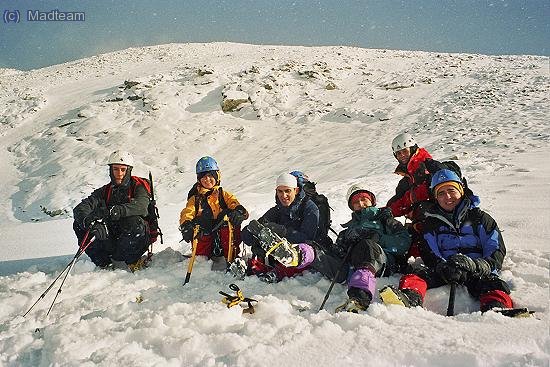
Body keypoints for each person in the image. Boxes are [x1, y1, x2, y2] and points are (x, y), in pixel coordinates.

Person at [379, 169, 514, 313]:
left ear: (461, 191)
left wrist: (478, 266)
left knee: (493, 285)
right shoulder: (431, 223)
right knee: (416, 276)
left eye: (451, 190)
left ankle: (496, 308)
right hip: (446, 269)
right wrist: (443, 266)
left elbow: (496, 247)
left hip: (476, 269)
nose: (447, 196)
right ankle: (409, 298)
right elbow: (428, 250)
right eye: (441, 193)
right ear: (435, 197)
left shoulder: (480, 218)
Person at [73, 151, 151, 270]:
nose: (119, 174)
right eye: (115, 169)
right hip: (112, 239)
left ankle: (132, 261)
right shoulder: (105, 191)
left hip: (135, 240)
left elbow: (141, 206)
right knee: (79, 224)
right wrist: (89, 223)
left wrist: (115, 211)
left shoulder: (138, 187)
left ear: (129, 170)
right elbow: (81, 208)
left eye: (123, 170)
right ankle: (103, 262)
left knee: (134, 222)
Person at [239, 172, 320, 282]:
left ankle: (278, 272)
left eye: (287, 191)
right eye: (280, 191)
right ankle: (255, 267)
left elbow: (308, 238)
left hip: (304, 257)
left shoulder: (310, 208)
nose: (284, 195)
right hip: (278, 259)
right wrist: (251, 230)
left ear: (296, 190)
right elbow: (249, 236)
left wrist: (283, 232)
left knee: (302, 249)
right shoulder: (277, 210)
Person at [179, 156, 248, 268]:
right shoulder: (196, 199)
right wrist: (186, 224)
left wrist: (239, 212)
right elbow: (188, 212)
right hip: (206, 238)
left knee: (228, 217)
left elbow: (235, 204)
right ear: (199, 179)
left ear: (216, 176)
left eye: (210, 176)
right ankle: (201, 262)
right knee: (199, 222)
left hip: (225, 241)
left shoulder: (223, 195)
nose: (207, 180)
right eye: (204, 177)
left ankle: (231, 259)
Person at [386, 132, 445, 258]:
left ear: (413, 149)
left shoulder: (429, 166)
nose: (402, 155)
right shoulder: (407, 180)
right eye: (398, 153)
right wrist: (386, 212)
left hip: (438, 219)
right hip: (421, 222)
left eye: (405, 151)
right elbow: (400, 202)